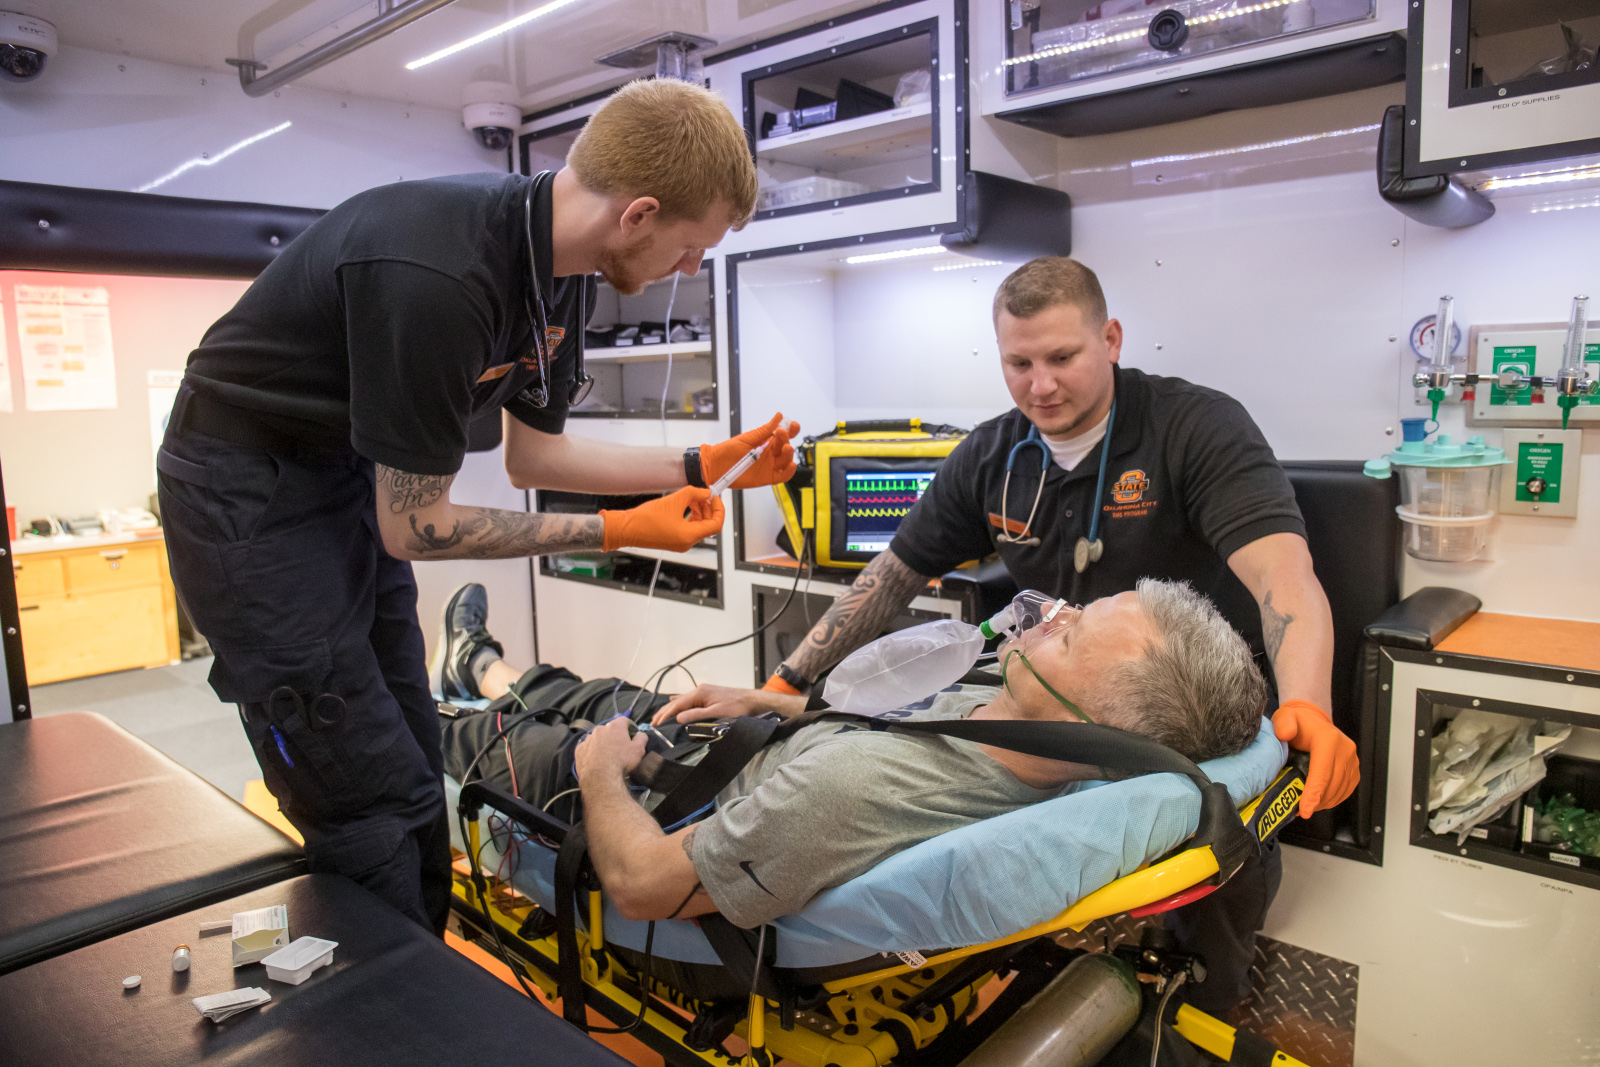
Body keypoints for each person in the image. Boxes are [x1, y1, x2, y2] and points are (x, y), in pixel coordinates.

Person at [156, 79, 797, 937]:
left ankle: (419, 971)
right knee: (367, 794)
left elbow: (535, 454)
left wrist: (698, 465)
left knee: (418, 757)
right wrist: (620, 530)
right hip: (242, 491)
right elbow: (416, 525)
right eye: (691, 248)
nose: (689, 269)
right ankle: (388, 1007)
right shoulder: (440, 273)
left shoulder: (562, 274)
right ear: (639, 214)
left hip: (343, 473)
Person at [657, 257, 1359, 1010]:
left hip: (1177, 722)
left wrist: (1310, 704)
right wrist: (786, 683)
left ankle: (1205, 1020)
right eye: (1018, 363)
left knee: (1207, 930)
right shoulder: (994, 454)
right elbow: (890, 577)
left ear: (1112, 337)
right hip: (1054, 733)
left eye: (1062, 358)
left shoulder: (1196, 427)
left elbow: (1284, 579)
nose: (1041, 385)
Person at [436, 579, 1268, 928]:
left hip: (647, 806)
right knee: (587, 688)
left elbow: (644, 884)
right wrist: (772, 701)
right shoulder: (1008, 712)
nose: (1050, 611)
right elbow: (892, 718)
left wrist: (597, 774)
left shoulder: (855, 791)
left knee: (492, 738)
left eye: (1075, 629)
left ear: (1098, 723)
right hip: (741, 743)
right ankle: (478, 662)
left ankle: (441, 708)